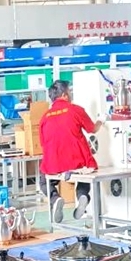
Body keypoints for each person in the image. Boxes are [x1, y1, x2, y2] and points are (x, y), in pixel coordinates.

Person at [38, 79, 102, 224]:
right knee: (85, 177)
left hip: (53, 162)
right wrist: (101, 120)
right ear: (64, 95)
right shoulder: (75, 110)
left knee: (44, 181)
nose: (71, 94)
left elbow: (43, 143)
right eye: (70, 92)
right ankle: (82, 196)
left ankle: (55, 199)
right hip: (76, 160)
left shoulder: (44, 117)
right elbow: (92, 129)